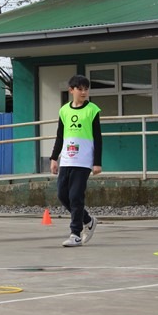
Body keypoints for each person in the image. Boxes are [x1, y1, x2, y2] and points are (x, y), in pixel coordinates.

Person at [50, 75, 102, 247]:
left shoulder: (92, 110)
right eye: (80, 89)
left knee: (75, 196)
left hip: (83, 161)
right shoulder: (64, 110)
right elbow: (59, 136)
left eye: (86, 89)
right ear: (71, 90)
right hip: (66, 159)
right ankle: (88, 220)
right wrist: (53, 158)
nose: (84, 92)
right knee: (62, 195)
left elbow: (97, 138)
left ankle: (75, 234)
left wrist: (97, 162)